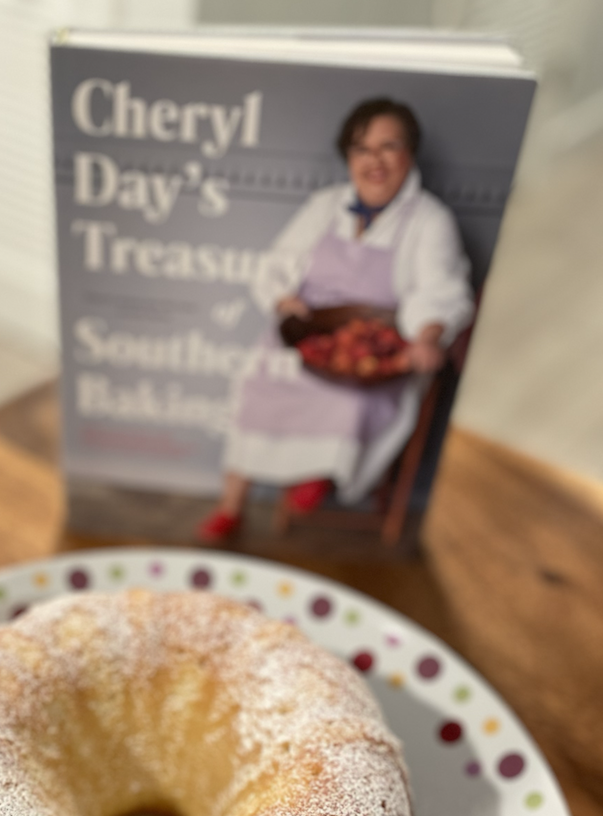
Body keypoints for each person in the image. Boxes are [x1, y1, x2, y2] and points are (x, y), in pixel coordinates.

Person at [198, 97, 475, 540]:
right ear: (348, 157)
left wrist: (428, 334)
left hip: (377, 346)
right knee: (258, 381)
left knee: (351, 400)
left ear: (410, 153)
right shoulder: (325, 205)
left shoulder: (430, 220)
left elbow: (441, 290)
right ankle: (232, 505)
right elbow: (277, 264)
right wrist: (283, 298)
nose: (374, 161)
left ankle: (317, 474)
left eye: (388, 147)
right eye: (362, 149)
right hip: (310, 337)